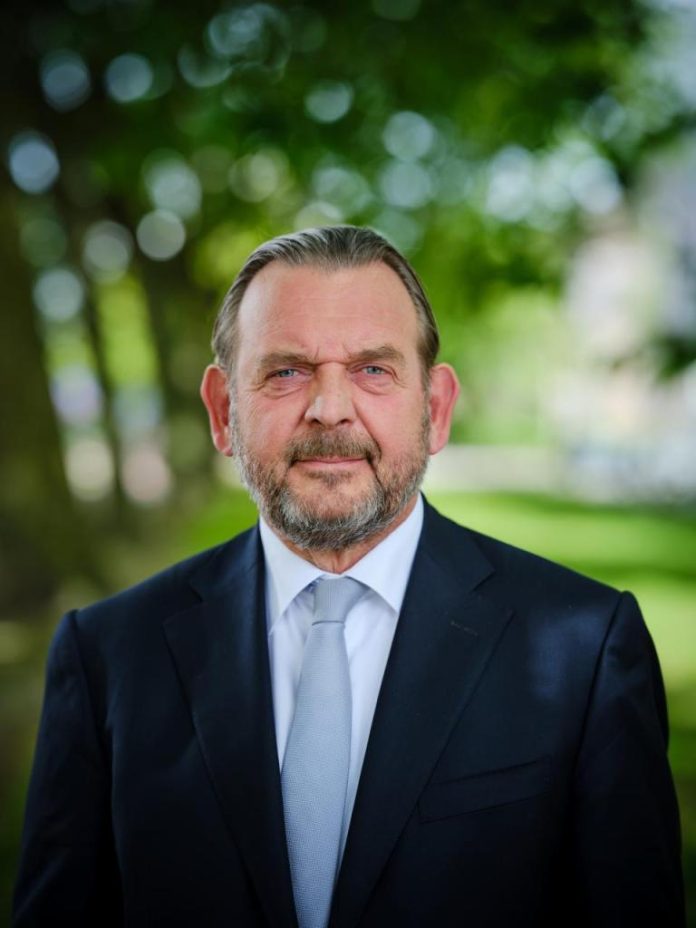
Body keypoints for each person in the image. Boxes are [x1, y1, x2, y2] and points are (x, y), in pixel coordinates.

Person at [14, 226, 684, 927]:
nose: (329, 408)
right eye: (286, 372)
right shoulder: (107, 656)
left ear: (435, 409)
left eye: (372, 370)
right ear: (223, 412)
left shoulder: (583, 651)